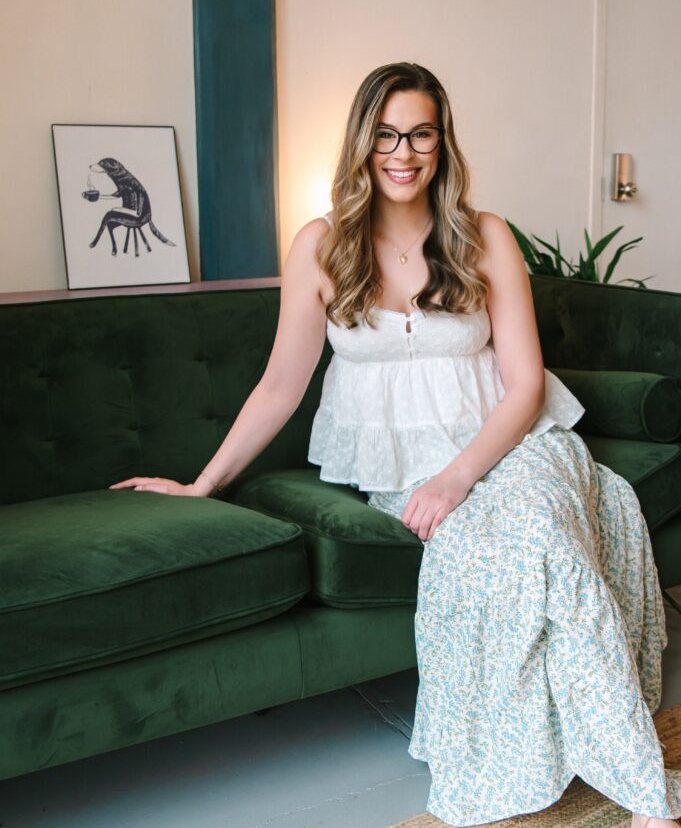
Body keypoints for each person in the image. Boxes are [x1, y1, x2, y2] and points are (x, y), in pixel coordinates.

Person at [111, 62, 681, 828]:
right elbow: (281, 385)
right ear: (361, 143)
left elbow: (523, 385)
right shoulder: (320, 247)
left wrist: (454, 480)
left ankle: (644, 798)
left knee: (551, 546)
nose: (402, 151)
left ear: (441, 143)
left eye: (419, 133)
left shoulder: (484, 237)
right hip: (400, 472)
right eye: (384, 134)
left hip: (516, 448)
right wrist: (200, 484)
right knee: (495, 558)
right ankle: (560, 769)